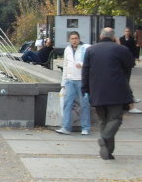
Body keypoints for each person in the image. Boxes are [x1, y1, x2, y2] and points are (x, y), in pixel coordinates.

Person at [82, 27, 135, 160]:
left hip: (97, 91)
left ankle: (108, 151)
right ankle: (105, 138)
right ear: (113, 37)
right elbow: (130, 64)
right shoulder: (121, 49)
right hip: (116, 91)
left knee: (103, 120)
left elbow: (85, 71)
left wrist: (85, 89)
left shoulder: (90, 50)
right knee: (115, 118)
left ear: (100, 36)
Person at [55, 32, 90, 135]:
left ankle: (85, 127)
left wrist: (82, 65)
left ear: (79, 39)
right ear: (69, 40)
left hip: (81, 80)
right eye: (72, 39)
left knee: (84, 104)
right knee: (67, 104)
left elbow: (90, 62)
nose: (74, 40)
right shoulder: (67, 49)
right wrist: (63, 83)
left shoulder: (85, 48)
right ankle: (66, 127)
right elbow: (65, 66)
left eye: (76, 38)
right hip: (70, 80)